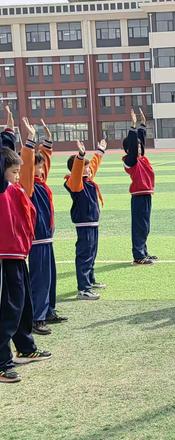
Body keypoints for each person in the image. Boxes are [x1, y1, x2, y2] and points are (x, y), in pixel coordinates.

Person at [0, 106, 51, 383]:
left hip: (19, 254)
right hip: (5, 256)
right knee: (9, 308)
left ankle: (25, 348)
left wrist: (13, 134)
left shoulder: (17, 187)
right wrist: (10, 134)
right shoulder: (2, 188)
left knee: (22, 306)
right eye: (14, 171)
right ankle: (1, 360)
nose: (19, 175)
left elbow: (13, 160)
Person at [20, 118, 67, 335]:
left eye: (40, 167)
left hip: (47, 238)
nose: (40, 170)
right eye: (37, 167)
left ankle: (48, 310)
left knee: (49, 276)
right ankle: (36, 317)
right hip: (37, 240)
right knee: (39, 278)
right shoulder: (27, 186)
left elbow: (44, 162)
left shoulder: (41, 184)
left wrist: (47, 141)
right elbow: (28, 165)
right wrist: (30, 141)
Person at [64, 139, 107, 300]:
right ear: (77, 169)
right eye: (85, 167)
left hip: (92, 223)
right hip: (84, 224)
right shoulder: (74, 183)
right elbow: (77, 173)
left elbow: (94, 165)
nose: (89, 170)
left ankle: (90, 280)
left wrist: (100, 151)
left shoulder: (87, 179)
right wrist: (80, 156)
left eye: (88, 167)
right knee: (85, 254)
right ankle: (83, 288)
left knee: (92, 253)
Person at [123, 108, 156, 265]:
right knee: (139, 226)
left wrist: (143, 124)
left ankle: (143, 251)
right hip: (138, 196)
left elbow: (140, 141)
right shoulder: (131, 161)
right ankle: (138, 256)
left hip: (146, 195)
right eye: (135, 146)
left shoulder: (142, 159)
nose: (140, 147)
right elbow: (133, 146)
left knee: (145, 226)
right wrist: (133, 126)